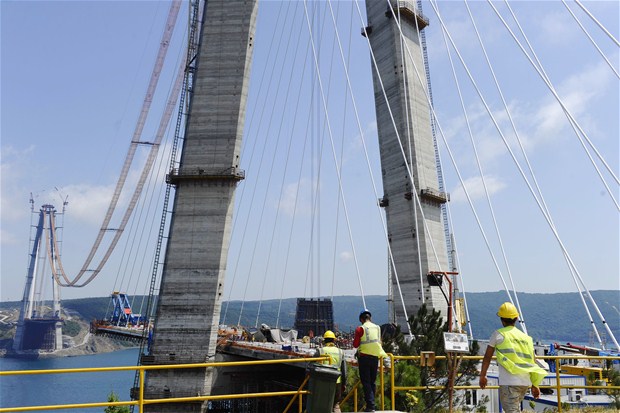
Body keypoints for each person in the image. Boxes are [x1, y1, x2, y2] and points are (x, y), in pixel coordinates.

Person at [479, 302, 547, 413]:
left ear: (501, 319)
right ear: (516, 318)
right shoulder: (526, 338)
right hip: (524, 382)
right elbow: (532, 361)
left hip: (509, 382)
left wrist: (483, 375)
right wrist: (535, 384)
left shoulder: (498, 334)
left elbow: (487, 357)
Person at [353, 309, 387, 412]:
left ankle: (370, 406)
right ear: (370, 318)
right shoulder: (377, 327)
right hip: (375, 358)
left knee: (366, 382)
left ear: (361, 319)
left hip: (364, 358)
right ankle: (372, 404)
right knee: (372, 382)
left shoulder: (360, 329)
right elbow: (379, 341)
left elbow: (355, 344)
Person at [315, 330, 347, 413]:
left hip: (322, 382)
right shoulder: (340, 352)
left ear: (324, 340)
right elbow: (344, 370)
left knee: (322, 404)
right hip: (337, 381)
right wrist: (344, 383)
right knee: (336, 405)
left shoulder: (320, 351)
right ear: (334, 340)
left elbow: (311, 366)